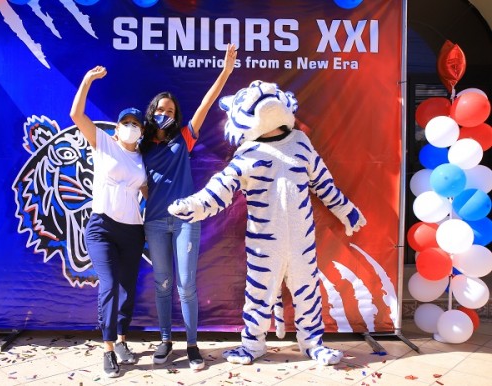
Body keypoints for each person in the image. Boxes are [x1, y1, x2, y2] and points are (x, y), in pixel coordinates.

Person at [168, 80, 367, 366]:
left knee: (307, 292)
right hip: (264, 245)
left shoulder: (301, 142)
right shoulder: (246, 155)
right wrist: (193, 206)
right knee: (259, 294)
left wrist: (346, 210)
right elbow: (219, 189)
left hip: (302, 243)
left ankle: (312, 343)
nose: (259, 85)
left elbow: (324, 183)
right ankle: (252, 344)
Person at [138, 44, 237, 370]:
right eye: (160, 110)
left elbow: (208, 103)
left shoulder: (185, 136)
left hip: (184, 222)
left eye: (169, 110)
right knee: (163, 284)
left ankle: (192, 344)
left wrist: (224, 72)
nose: (164, 114)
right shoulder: (139, 145)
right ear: (151, 111)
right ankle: (166, 340)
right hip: (153, 222)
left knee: (186, 286)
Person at [70, 65, 146, 378]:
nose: (130, 127)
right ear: (116, 128)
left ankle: (124, 341)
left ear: (142, 131)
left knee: (128, 287)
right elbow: (76, 115)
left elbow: (150, 191)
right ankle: (108, 349)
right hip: (101, 227)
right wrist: (86, 80)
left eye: (135, 124)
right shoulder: (104, 143)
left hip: (133, 230)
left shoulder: (144, 159)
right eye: (125, 122)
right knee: (110, 285)